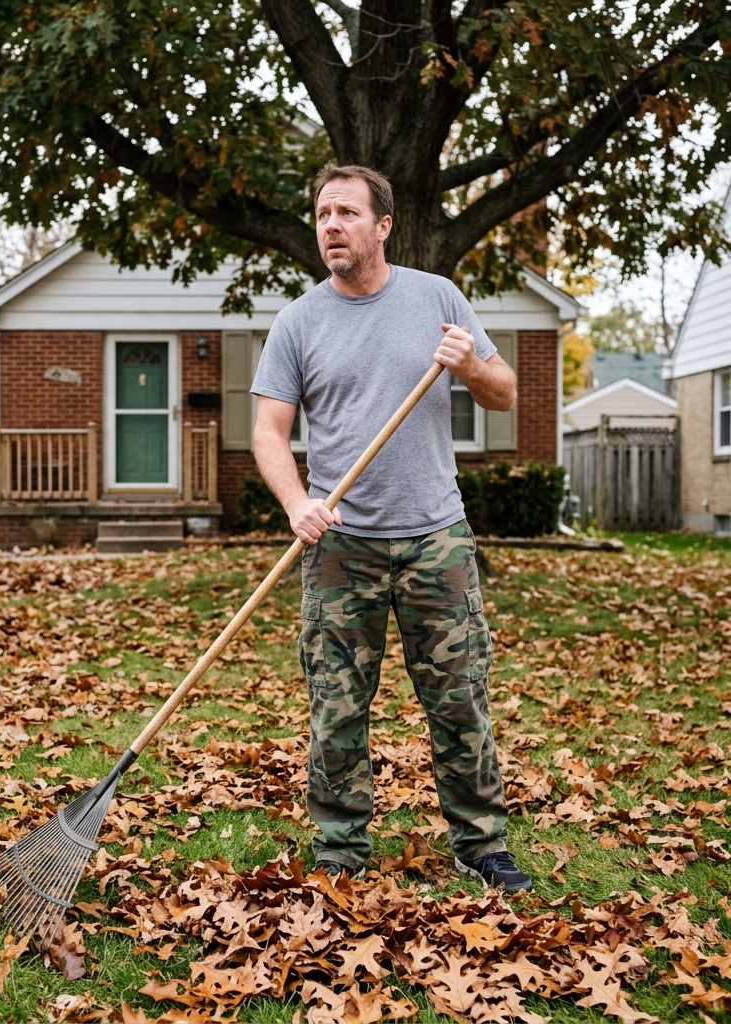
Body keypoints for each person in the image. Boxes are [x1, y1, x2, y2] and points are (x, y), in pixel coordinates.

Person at [251, 163, 532, 893]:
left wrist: (470, 362)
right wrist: (295, 504)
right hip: (340, 542)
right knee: (336, 701)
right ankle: (340, 846)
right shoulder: (299, 322)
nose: (331, 226)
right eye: (321, 215)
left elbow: (505, 396)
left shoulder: (437, 299)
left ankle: (481, 842)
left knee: (458, 695)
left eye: (346, 213)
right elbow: (268, 435)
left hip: (436, 535)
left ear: (382, 226)